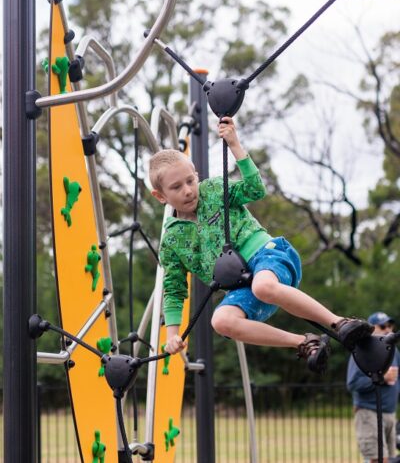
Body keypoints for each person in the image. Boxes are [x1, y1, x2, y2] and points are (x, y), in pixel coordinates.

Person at [149, 116, 374, 373]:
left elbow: (255, 189)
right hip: (245, 285)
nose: (188, 190)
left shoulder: (212, 190)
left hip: (269, 256)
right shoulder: (172, 240)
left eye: (190, 180)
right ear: (160, 196)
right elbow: (174, 288)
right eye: (176, 187)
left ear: (197, 176)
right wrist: (173, 334)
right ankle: (305, 343)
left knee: (264, 285)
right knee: (221, 321)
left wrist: (234, 145)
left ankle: (340, 323)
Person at [347, 312, 400, 463]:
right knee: (377, 460)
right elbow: (353, 384)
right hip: (369, 412)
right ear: (372, 328)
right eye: (383, 326)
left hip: (390, 413)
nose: (388, 329)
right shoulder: (363, 350)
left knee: (389, 459)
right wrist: (382, 378)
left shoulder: (393, 351)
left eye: (390, 325)